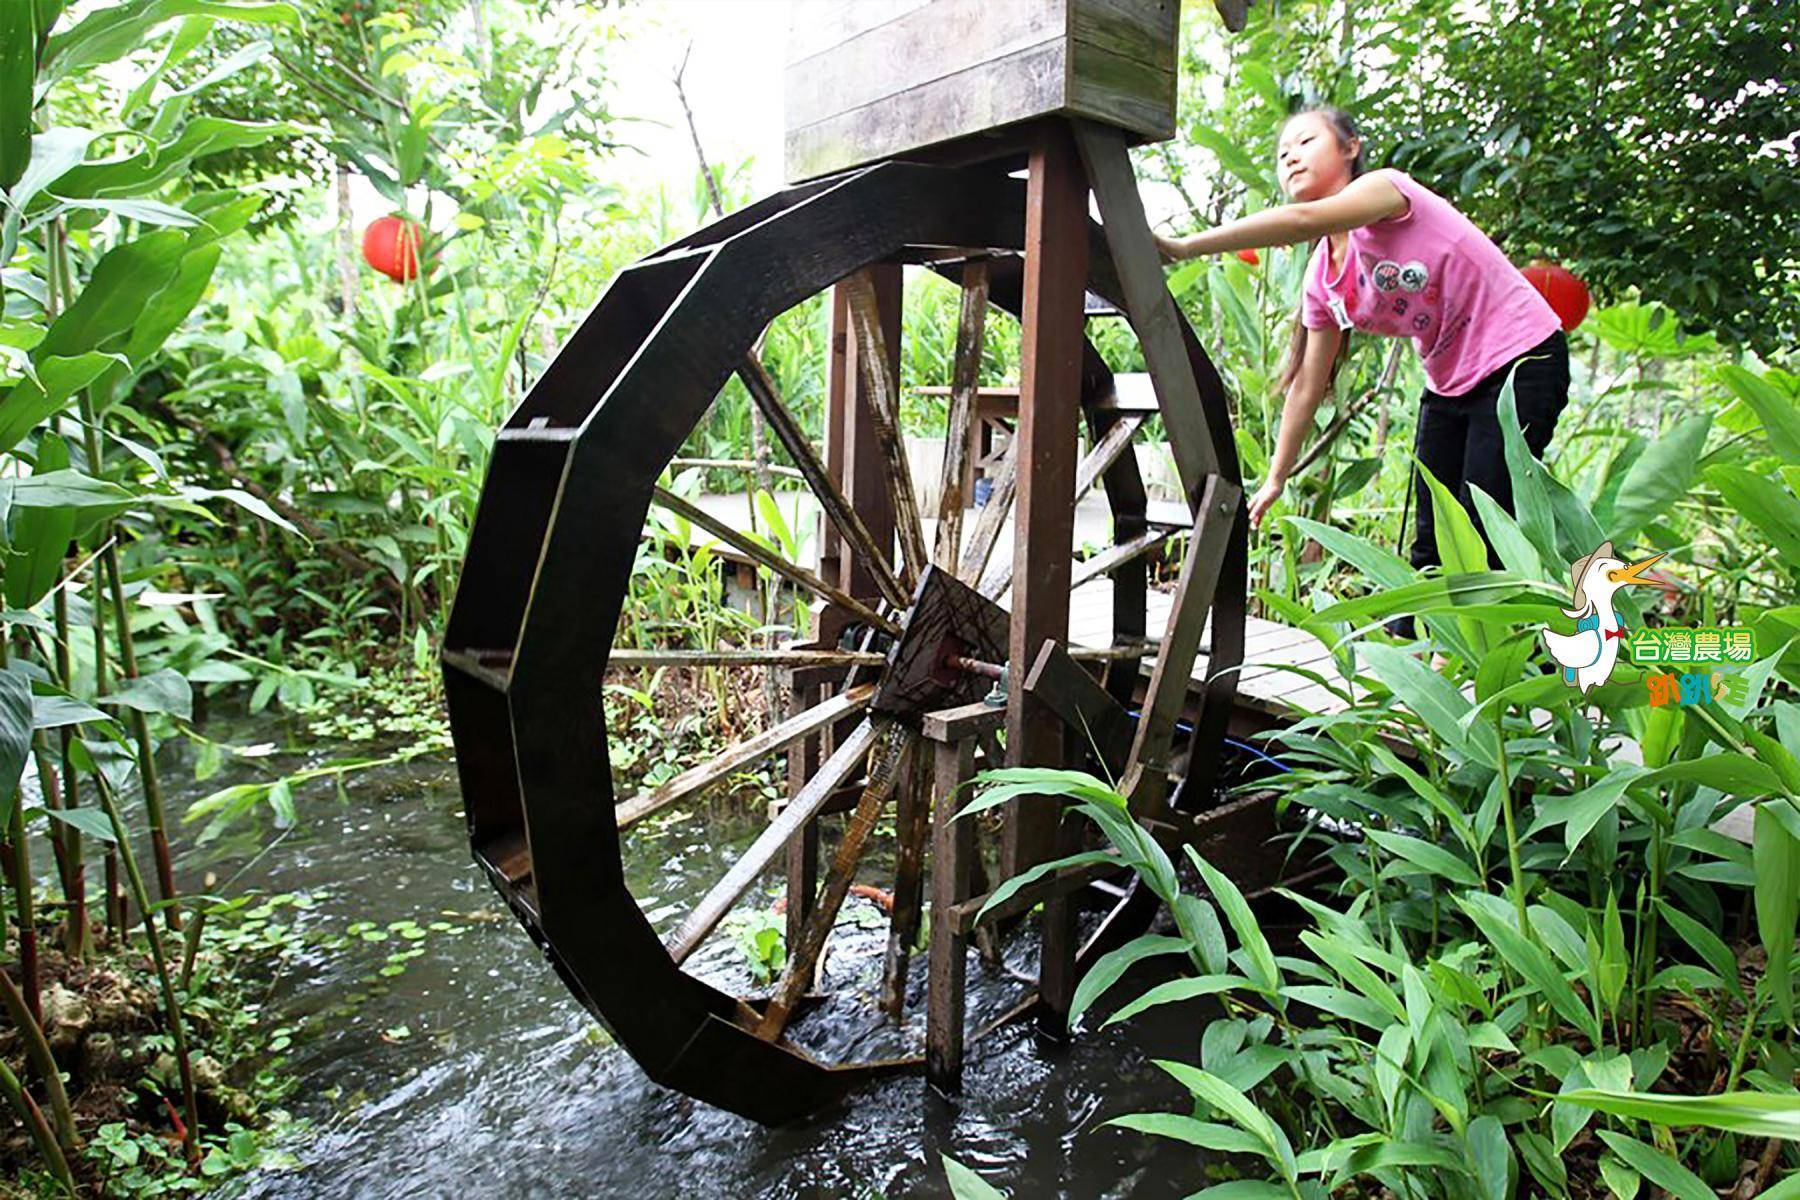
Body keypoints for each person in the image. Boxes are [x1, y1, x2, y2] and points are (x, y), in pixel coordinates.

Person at [1155, 106, 1570, 637]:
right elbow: (1308, 383)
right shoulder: (1323, 280)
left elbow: (1305, 221)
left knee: (1484, 521)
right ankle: (1421, 664)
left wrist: (1186, 246)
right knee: (1433, 533)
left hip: (1523, 357)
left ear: (1350, 147)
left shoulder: (1388, 192)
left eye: (1305, 141)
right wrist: (1278, 475)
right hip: (1450, 382)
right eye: (1282, 155)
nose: (1291, 157)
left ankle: (1482, 667)